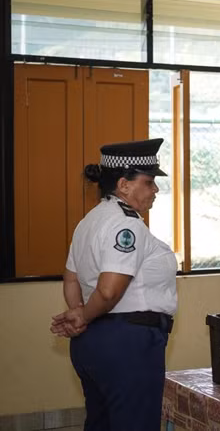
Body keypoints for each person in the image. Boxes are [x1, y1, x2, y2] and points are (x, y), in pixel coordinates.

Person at [49, 139, 177, 431]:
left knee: (101, 423)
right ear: (124, 185)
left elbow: (71, 279)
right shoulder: (127, 225)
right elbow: (108, 291)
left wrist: (81, 315)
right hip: (128, 345)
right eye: (149, 182)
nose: (155, 189)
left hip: (94, 342)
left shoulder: (89, 221)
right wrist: (83, 315)